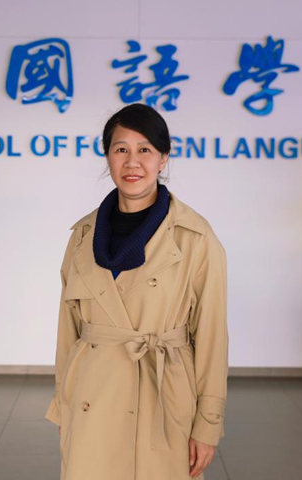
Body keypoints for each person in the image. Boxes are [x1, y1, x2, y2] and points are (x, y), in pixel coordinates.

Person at [45, 103, 228, 480]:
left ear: (164, 157)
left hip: (163, 399)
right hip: (92, 397)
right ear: (107, 156)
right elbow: (68, 331)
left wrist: (208, 424)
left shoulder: (195, 237)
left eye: (145, 149)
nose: (132, 162)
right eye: (121, 149)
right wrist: (64, 404)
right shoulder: (82, 236)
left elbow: (211, 335)